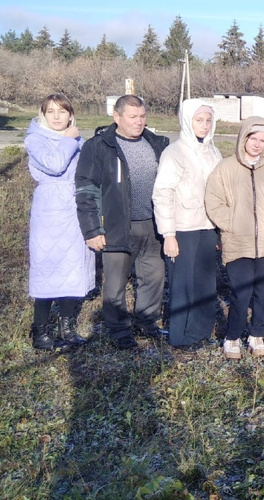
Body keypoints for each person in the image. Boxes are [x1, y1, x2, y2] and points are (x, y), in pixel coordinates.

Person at [76, 95, 169, 350]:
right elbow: (86, 189)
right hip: (116, 225)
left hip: (152, 224)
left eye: (142, 116)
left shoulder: (157, 143)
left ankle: (147, 323)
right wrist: (93, 229)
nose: (139, 122)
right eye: (132, 117)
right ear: (116, 117)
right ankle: (118, 331)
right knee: (115, 283)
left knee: (153, 277)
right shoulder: (98, 146)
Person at [205, 117, 264, 360]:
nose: (257, 144)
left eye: (263, 140)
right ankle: (232, 337)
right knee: (241, 292)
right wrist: (232, 223)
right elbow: (213, 201)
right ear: (244, 138)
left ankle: (256, 334)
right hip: (238, 242)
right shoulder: (225, 168)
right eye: (253, 138)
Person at [25, 94, 94, 350]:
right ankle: (41, 332)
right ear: (42, 114)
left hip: (74, 207)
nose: (56, 116)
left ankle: (67, 329)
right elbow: (54, 165)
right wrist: (68, 140)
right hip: (50, 208)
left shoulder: (79, 140)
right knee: (48, 265)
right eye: (51, 111)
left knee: (72, 265)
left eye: (62, 111)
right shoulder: (35, 139)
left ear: (70, 114)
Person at [152, 99, 222, 351]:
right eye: (198, 120)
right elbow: (163, 193)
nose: (204, 125)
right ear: (187, 121)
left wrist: (219, 229)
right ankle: (181, 336)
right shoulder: (174, 153)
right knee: (183, 283)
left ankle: (202, 331)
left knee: (205, 281)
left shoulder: (213, 151)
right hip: (183, 227)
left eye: (208, 120)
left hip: (207, 227)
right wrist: (169, 234)